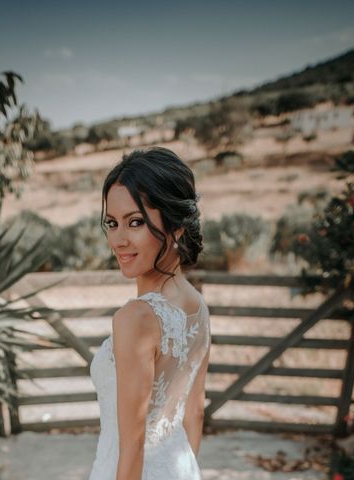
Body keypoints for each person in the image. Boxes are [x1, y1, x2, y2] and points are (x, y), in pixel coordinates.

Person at [89, 147, 211, 479]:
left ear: (176, 227)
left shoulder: (135, 318)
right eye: (113, 223)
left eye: (136, 222)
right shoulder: (197, 307)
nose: (118, 239)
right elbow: (194, 415)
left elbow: (133, 445)